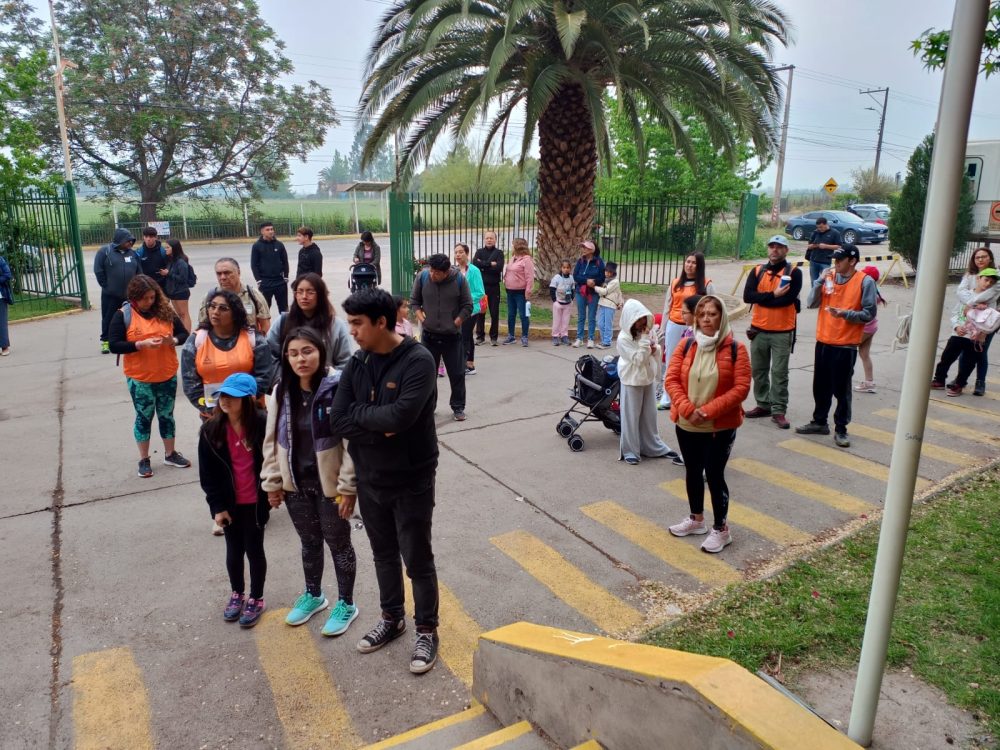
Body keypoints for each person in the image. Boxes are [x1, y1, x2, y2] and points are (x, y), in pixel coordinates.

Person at [329, 287, 441, 675]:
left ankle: (426, 629)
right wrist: (378, 424)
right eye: (349, 324)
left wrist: (369, 420)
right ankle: (392, 618)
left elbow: (402, 418)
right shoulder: (358, 363)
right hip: (370, 478)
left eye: (358, 324)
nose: (352, 332)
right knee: (382, 555)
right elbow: (338, 419)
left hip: (411, 479)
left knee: (417, 558)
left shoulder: (418, 360)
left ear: (381, 322)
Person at [262, 327, 361, 636]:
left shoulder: (338, 386)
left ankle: (346, 603)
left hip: (329, 486)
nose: (300, 359)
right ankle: (314, 595)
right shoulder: (281, 391)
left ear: (321, 352)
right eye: (293, 354)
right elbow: (271, 440)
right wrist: (272, 481)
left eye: (307, 351)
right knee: (309, 543)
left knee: (339, 543)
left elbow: (352, 443)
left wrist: (347, 488)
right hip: (296, 485)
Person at [665, 295, 751, 554]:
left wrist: (707, 411)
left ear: (721, 317)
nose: (706, 318)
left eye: (712, 314)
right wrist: (688, 410)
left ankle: (721, 530)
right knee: (692, 472)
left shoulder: (737, 349)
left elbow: (741, 388)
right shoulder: (686, 346)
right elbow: (671, 380)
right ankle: (696, 519)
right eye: (702, 314)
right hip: (686, 423)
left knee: (714, 475)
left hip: (719, 427)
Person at [197, 373, 270, 628]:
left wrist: (274, 492)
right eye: (223, 395)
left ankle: (256, 597)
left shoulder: (262, 424)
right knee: (234, 550)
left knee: (254, 549)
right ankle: (237, 593)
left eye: (233, 396)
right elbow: (207, 475)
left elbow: (273, 461)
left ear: (248, 399)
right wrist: (217, 508)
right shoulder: (210, 430)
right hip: (230, 504)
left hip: (256, 502)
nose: (225, 401)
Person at [108, 274, 191, 477]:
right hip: (140, 378)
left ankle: (170, 453)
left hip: (166, 373)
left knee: (167, 416)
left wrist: (173, 340)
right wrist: (139, 344)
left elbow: (184, 334)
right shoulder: (123, 315)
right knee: (144, 417)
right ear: (134, 298)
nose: (149, 302)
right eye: (145, 298)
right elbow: (114, 344)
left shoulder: (165, 311)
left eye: (152, 297)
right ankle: (144, 459)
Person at [796, 245, 877, 448]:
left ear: (852, 261)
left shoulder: (864, 282)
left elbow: (869, 313)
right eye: (834, 260)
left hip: (846, 345)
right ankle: (819, 421)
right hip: (823, 340)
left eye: (839, 260)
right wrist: (819, 282)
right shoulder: (829, 277)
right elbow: (811, 303)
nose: (835, 263)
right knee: (820, 386)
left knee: (842, 390)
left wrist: (845, 314)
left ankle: (841, 429)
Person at [741, 235, 802, 429]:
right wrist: (773, 295)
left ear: (786, 250)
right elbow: (747, 296)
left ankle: (778, 410)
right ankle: (763, 404)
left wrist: (763, 299)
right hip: (758, 330)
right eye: (772, 246)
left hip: (782, 332)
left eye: (779, 247)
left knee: (779, 372)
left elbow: (788, 300)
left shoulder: (794, 272)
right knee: (758, 371)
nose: (774, 250)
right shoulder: (757, 271)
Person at [616, 298, 682, 466]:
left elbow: (654, 350)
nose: (641, 323)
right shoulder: (624, 338)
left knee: (649, 415)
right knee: (631, 416)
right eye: (637, 319)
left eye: (643, 319)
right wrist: (647, 344)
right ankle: (630, 450)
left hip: (646, 377)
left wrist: (653, 348)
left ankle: (652, 446)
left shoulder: (646, 332)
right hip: (631, 379)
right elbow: (638, 359)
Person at [411, 253, 472, 420]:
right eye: (431, 270)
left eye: (437, 272)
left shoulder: (459, 280)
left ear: (446, 272)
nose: (432, 274)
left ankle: (458, 407)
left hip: (452, 337)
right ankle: (429, 406)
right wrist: (422, 318)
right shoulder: (422, 277)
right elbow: (414, 301)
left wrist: (457, 322)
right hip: (429, 336)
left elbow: (468, 305)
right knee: (428, 374)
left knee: (457, 373)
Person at [265, 273, 354, 380]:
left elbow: (345, 362)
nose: (304, 296)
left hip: (326, 389)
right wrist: (280, 380)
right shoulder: (283, 322)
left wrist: (329, 384)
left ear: (321, 295)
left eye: (310, 292)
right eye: (299, 291)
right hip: (290, 387)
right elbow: (269, 354)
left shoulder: (336, 325)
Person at [658, 252, 714, 409]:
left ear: (700, 265)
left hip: (696, 328)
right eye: (688, 261)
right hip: (674, 325)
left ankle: (691, 397)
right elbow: (667, 307)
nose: (689, 265)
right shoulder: (675, 283)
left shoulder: (706, 284)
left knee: (694, 363)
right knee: (671, 361)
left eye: (694, 263)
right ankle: (667, 397)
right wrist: (663, 328)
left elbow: (714, 308)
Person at [932, 268, 1000, 396]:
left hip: (975, 338)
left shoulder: (990, 301)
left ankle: (959, 385)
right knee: (947, 357)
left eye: (991, 282)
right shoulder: (967, 295)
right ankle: (939, 380)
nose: (988, 284)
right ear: (978, 279)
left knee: (968, 363)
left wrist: (982, 333)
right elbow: (956, 313)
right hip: (958, 334)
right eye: (986, 280)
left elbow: (990, 321)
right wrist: (957, 327)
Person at [957, 247, 999, 396]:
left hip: (988, 320)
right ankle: (960, 381)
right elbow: (960, 292)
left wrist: (971, 299)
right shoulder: (970, 275)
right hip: (970, 317)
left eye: (984, 256)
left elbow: (993, 293)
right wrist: (974, 302)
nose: (980, 259)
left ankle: (980, 383)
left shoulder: (996, 276)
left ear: (990, 258)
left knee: (981, 351)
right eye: (977, 257)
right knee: (965, 348)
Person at [198, 258, 271, 334]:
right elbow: (203, 327)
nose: (223, 277)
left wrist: (259, 342)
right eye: (219, 274)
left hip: (248, 343)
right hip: (219, 343)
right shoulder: (210, 297)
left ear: (238, 272)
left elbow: (265, 325)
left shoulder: (253, 295)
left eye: (227, 273)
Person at [94, 228, 138, 353]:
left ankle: (125, 339)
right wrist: (106, 286)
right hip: (111, 294)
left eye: (131, 241)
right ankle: (106, 341)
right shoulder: (105, 252)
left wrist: (136, 288)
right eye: (128, 240)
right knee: (108, 318)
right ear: (120, 240)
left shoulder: (132, 254)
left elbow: (139, 271)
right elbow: (98, 270)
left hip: (129, 294)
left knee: (128, 317)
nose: (130, 243)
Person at [854, 266, 888, 394]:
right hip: (872, 327)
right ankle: (869, 382)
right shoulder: (875, 290)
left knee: (848, 350)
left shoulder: (866, 291)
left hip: (865, 328)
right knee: (864, 354)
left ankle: (842, 380)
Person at [454, 243, 485, 375]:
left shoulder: (474, 271)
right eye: (456, 252)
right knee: (465, 337)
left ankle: (466, 364)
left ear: (467, 254)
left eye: (461, 252)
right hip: (458, 310)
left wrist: (464, 298)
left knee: (465, 336)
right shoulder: (454, 271)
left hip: (471, 309)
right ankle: (468, 363)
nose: (458, 255)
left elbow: (480, 292)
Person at [472, 230, 505, 345]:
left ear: (495, 240)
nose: (489, 240)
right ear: (484, 240)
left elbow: (499, 268)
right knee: (481, 312)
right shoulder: (479, 252)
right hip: (481, 288)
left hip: (494, 287)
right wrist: (490, 264)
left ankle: (494, 337)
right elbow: (475, 263)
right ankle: (480, 337)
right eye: (487, 238)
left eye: (491, 238)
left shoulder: (499, 253)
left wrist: (483, 264)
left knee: (494, 313)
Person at [501, 237, 535, 347]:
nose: (511, 246)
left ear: (517, 246)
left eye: (512, 244)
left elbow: (530, 277)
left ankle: (524, 336)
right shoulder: (513, 258)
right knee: (511, 314)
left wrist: (528, 291)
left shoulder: (526, 260)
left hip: (521, 292)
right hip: (510, 291)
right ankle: (511, 336)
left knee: (523, 314)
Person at [572, 240, 605, 349]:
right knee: (581, 316)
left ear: (591, 250)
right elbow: (575, 276)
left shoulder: (599, 262)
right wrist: (586, 281)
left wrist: (594, 282)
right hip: (580, 292)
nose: (583, 250)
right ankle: (579, 339)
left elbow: (602, 277)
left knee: (591, 317)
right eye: (582, 248)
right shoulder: (580, 261)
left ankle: (590, 339)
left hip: (593, 294)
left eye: (585, 248)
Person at [251, 222, 289, 312]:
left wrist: (286, 276)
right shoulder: (257, 246)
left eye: (272, 229)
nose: (271, 231)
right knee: (264, 310)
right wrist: (259, 280)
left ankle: (284, 326)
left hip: (280, 282)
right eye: (267, 230)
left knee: (284, 309)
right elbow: (254, 264)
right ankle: (265, 326)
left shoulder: (279, 245)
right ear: (262, 232)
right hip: (265, 283)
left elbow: (285, 262)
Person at [163, 239, 194, 333]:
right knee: (180, 314)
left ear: (174, 248)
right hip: (173, 292)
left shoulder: (181, 262)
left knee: (184, 314)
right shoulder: (171, 260)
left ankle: (187, 334)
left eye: (168, 247)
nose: (165, 249)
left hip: (181, 292)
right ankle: (183, 333)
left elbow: (183, 279)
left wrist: (168, 274)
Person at [805, 215, 842, 285]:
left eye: (821, 227)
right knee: (814, 282)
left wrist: (826, 246)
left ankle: (824, 295)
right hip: (813, 261)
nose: (819, 229)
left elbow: (839, 246)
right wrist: (816, 245)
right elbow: (809, 246)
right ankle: (815, 295)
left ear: (826, 224)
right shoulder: (815, 232)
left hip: (825, 262)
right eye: (818, 227)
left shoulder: (834, 233)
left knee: (826, 282)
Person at [595, 261, 623, 349]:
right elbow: (619, 293)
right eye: (606, 271)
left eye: (609, 272)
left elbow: (605, 291)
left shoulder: (615, 282)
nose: (607, 273)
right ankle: (604, 340)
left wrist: (594, 287)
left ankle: (607, 342)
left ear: (613, 273)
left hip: (610, 305)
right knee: (600, 323)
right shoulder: (605, 281)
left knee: (608, 324)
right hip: (602, 303)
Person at [549, 260, 575, 346]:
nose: (566, 269)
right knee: (557, 321)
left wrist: (571, 298)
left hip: (567, 303)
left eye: (568, 267)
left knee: (565, 321)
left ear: (570, 269)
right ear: (561, 268)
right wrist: (554, 301)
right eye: (564, 267)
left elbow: (573, 289)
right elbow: (552, 289)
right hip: (558, 303)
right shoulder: (557, 277)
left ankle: (564, 336)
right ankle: (555, 336)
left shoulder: (571, 278)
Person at [0, 251, 11, 356]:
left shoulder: (0, 260)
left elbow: (8, 274)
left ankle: (4, 347)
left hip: (0, 297)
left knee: (1, 323)